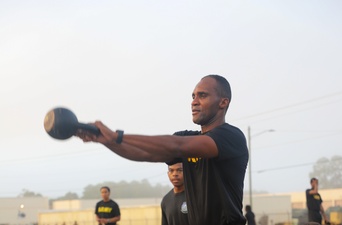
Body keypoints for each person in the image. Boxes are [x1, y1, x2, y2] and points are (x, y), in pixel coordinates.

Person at [77, 75, 249, 225]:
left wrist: (116, 136)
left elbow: (176, 145)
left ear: (223, 102)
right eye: (193, 96)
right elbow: (146, 154)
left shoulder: (231, 137)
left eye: (202, 96)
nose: (194, 102)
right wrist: (106, 141)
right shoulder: (187, 137)